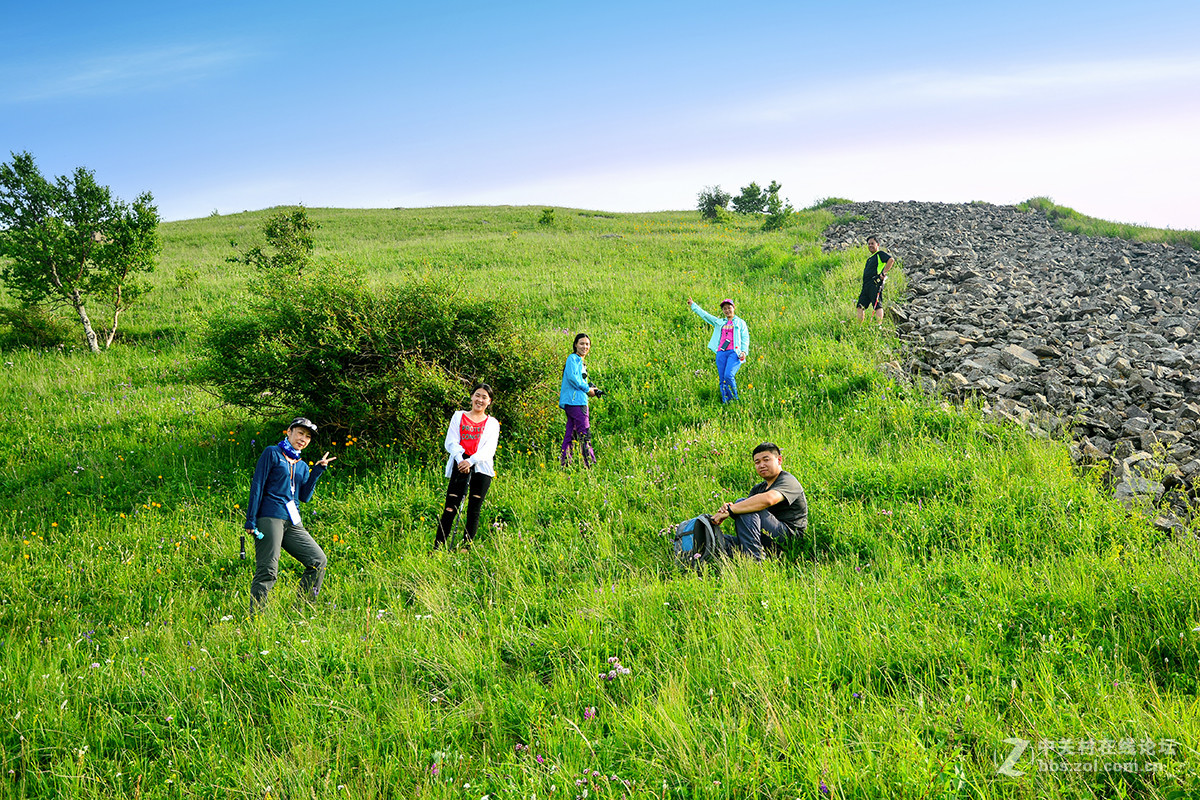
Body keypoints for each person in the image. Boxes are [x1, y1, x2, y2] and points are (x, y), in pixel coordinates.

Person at [245, 417, 336, 609]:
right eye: (300, 433)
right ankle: (256, 619)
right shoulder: (272, 453)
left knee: (318, 561)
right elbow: (258, 485)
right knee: (268, 570)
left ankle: (302, 609)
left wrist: (317, 471)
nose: (303, 439)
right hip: (270, 517)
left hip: (293, 522)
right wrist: (250, 521)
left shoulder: (302, 465)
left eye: (308, 436)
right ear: (289, 432)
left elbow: (304, 497)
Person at [710, 442, 808, 561]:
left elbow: (768, 500)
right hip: (764, 539)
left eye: (766, 460)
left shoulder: (788, 481)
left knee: (744, 503)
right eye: (757, 462)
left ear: (779, 460)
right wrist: (729, 509)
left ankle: (754, 561)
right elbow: (748, 515)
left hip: (788, 540)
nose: (762, 465)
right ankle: (746, 554)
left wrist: (732, 509)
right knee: (714, 541)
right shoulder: (758, 489)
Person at [434, 383, 500, 550]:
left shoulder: (492, 424)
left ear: (489, 401)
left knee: (474, 510)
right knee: (450, 507)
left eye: (484, 397)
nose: (480, 400)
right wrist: (460, 459)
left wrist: (471, 461)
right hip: (460, 464)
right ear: (471, 397)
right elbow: (451, 441)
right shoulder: (458, 416)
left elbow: (489, 450)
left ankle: (466, 547)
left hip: (481, 467)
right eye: (477, 395)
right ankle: (438, 547)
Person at [687, 297, 750, 403]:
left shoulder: (740, 323)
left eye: (729, 308)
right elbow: (705, 315)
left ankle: (735, 398)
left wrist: (744, 351)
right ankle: (726, 401)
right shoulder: (719, 322)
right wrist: (693, 305)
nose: (727, 310)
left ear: (733, 308)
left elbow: (745, 337)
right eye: (724, 309)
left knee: (728, 375)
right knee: (723, 379)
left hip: (735, 353)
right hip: (721, 353)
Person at [559, 333, 598, 467]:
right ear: (575, 344)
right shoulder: (573, 358)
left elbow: (578, 379)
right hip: (577, 402)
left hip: (573, 402)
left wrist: (591, 388)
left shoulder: (579, 362)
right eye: (581, 343)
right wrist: (588, 390)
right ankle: (590, 464)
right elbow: (573, 378)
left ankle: (565, 463)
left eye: (587, 344)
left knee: (570, 433)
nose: (585, 346)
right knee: (584, 432)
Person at [856, 236, 895, 323]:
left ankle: (878, 326)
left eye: (872, 243)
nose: (870, 245)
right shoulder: (870, 259)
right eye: (869, 244)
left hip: (875, 283)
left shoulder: (879, 254)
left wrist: (883, 273)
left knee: (877, 305)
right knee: (860, 306)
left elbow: (891, 260)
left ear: (877, 244)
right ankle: (858, 326)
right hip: (866, 285)